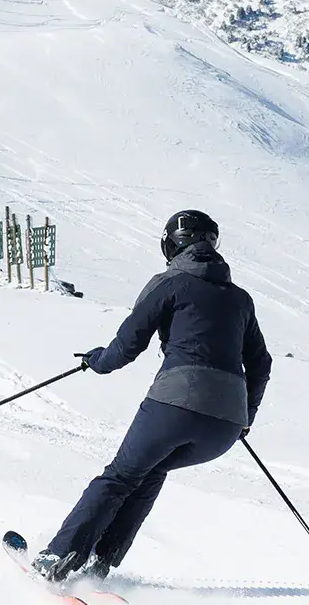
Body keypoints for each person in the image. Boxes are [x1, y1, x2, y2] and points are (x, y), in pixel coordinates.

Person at [33, 210, 271, 583]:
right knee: (152, 471)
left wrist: (97, 361)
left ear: (172, 243)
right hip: (224, 427)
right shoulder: (240, 299)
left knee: (119, 478)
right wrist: (245, 417)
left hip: (175, 406)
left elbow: (127, 345)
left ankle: (60, 557)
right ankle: (101, 563)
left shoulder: (170, 283)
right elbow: (261, 363)